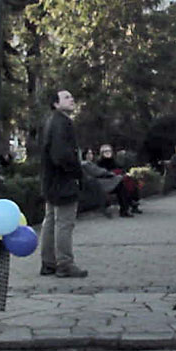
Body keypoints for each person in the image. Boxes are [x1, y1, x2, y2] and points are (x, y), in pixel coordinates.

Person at [39, 90, 87, 278]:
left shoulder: (51, 122)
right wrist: (76, 172)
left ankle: (48, 262)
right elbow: (62, 155)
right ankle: (65, 263)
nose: (72, 99)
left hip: (51, 180)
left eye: (71, 96)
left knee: (50, 221)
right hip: (63, 180)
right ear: (56, 104)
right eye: (66, 97)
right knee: (64, 223)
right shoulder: (63, 123)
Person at [96, 144, 141, 216]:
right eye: (105, 151)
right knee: (122, 185)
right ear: (102, 153)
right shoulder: (99, 163)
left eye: (109, 151)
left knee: (131, 180)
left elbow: (120, 168)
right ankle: (129, 204)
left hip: (116, 180)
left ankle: (132, 203)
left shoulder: (114, 161)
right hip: (107, 183)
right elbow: (101, 173)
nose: (108, 153)